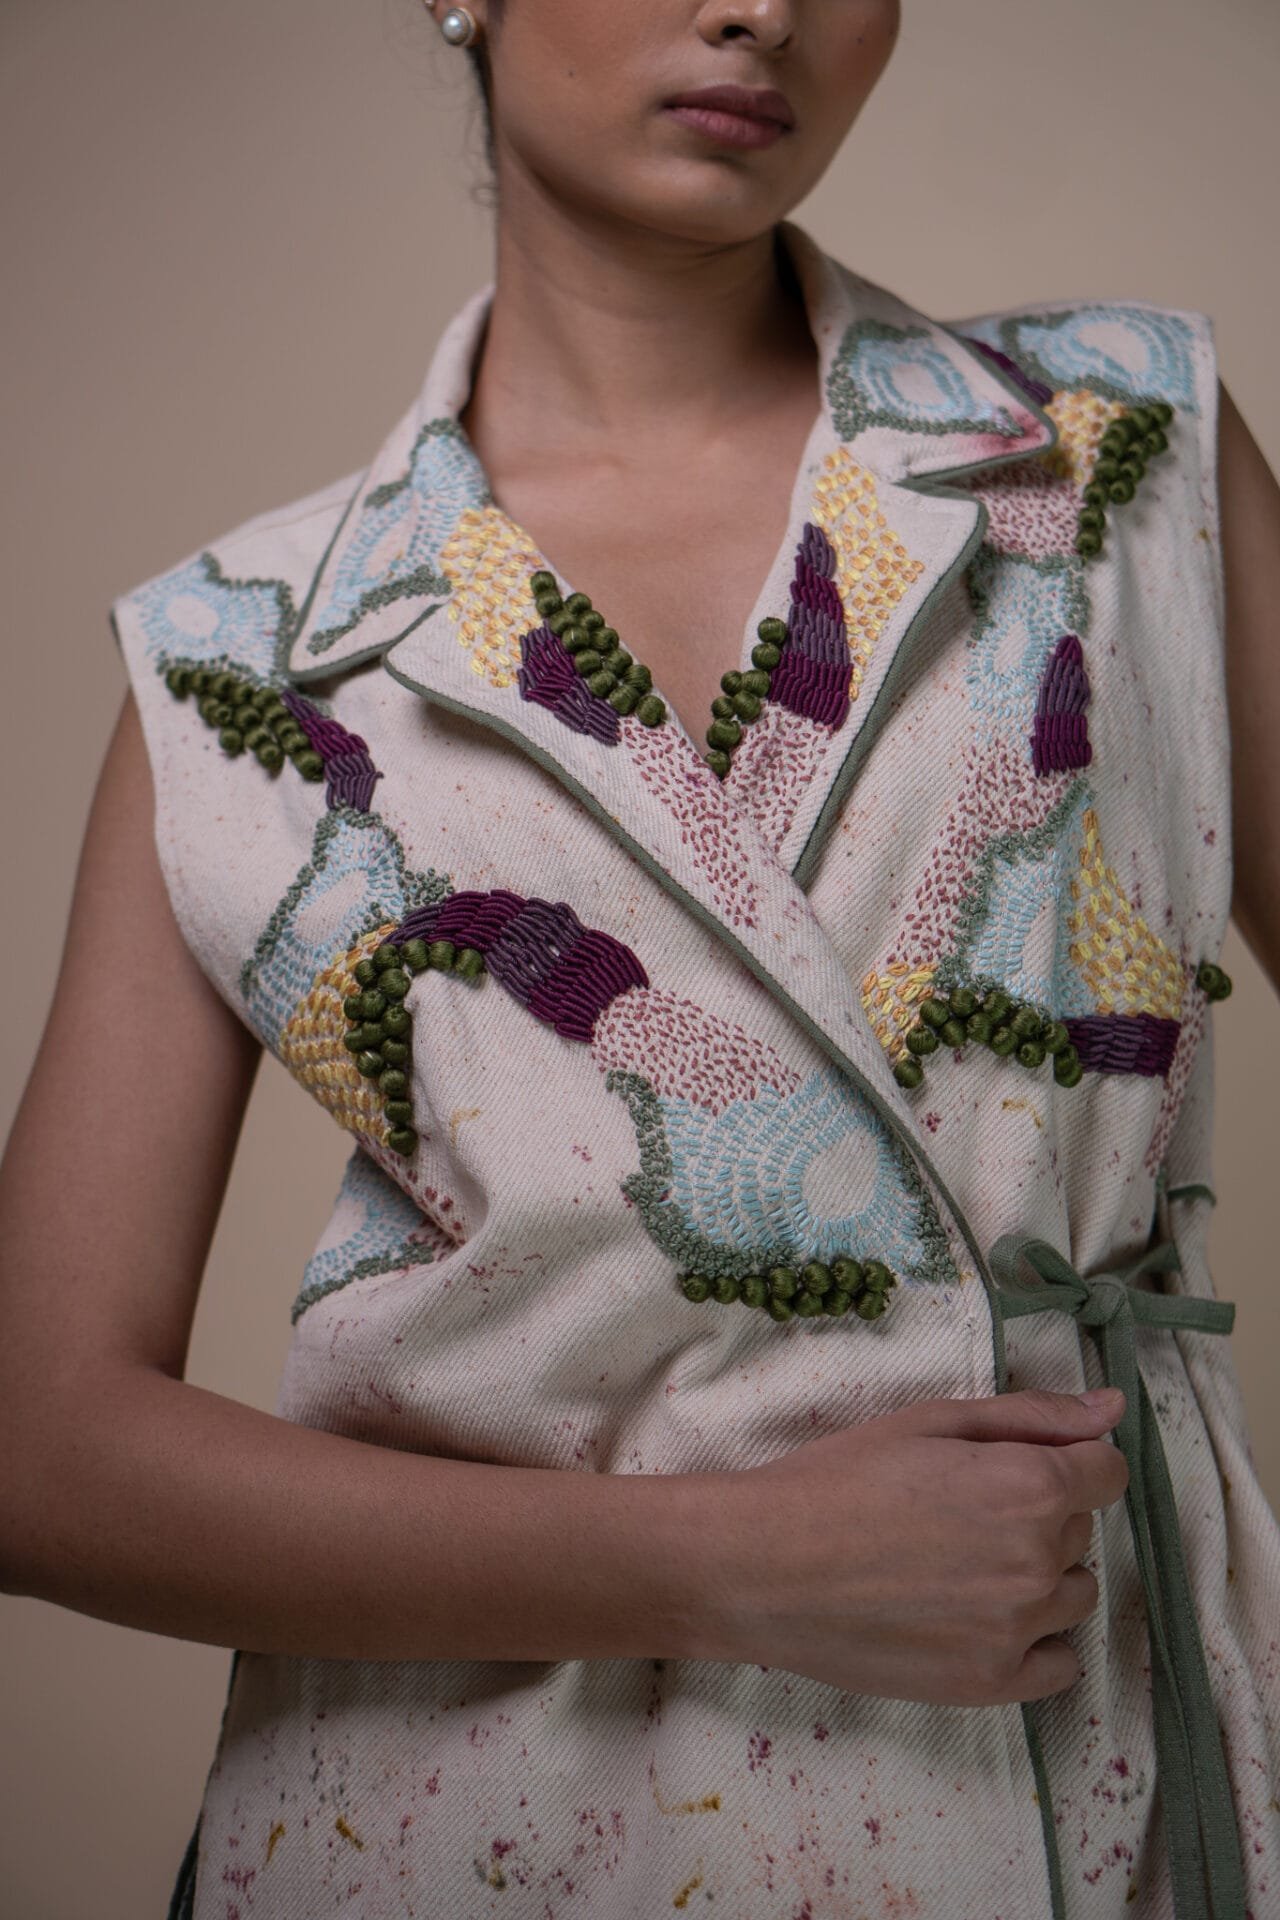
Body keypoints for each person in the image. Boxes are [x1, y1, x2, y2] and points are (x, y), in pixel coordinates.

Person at [2, 0, 1278, 1913]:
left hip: (1092, 1758)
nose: (760, 5)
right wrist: (723, 1565)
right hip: (466, 1830)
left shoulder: (1118, 449)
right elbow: (40, 1449)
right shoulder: (247, 658)